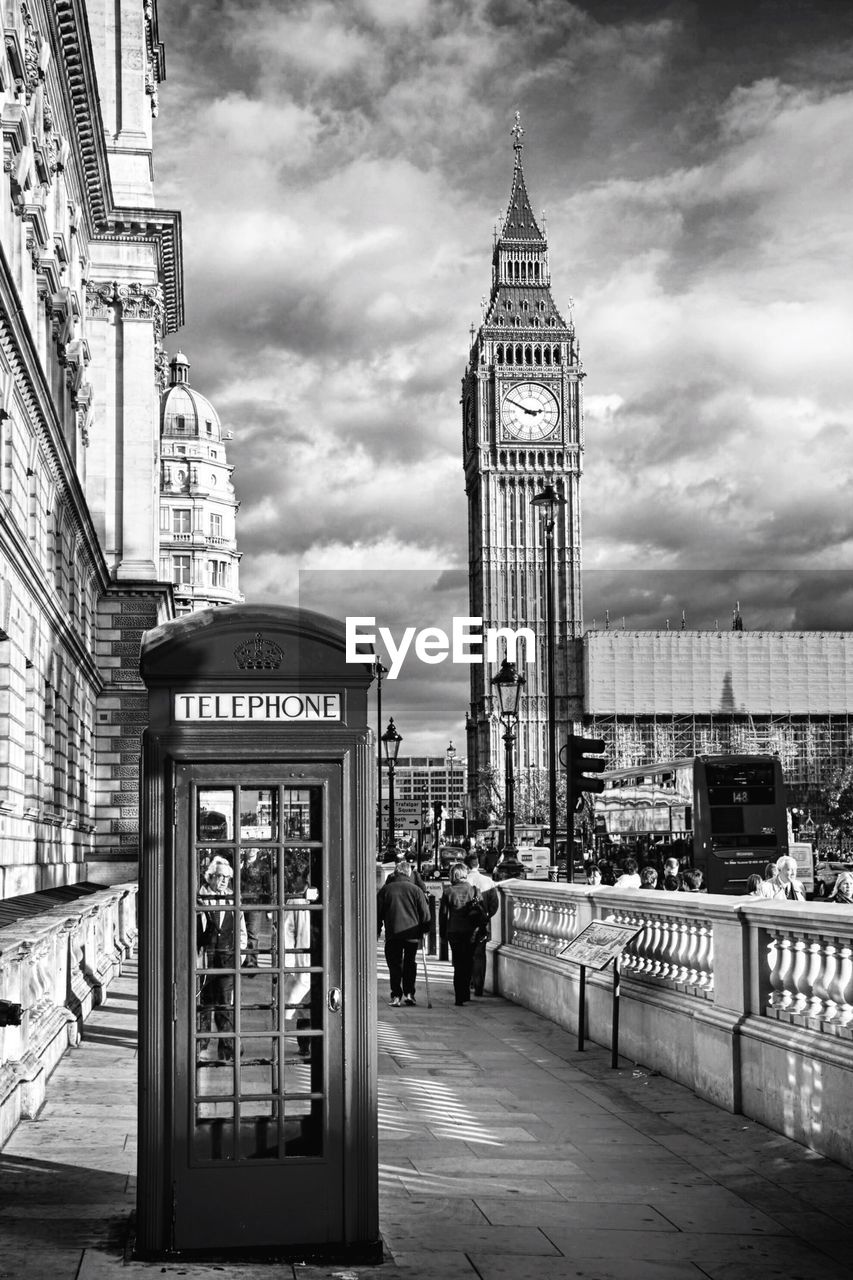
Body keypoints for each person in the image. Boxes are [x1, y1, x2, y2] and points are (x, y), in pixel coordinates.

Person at [197, 856, 247, 1061]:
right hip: (205, 959)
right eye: (220, 876)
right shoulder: (199, 898)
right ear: (210, 877)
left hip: (227, 958)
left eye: (228, 877)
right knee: (205, 1003)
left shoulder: (233, 899)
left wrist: (241, 955)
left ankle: (227, 1047)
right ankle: (201, 1042)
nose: (225, 881)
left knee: (225, 1003)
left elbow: (241, 930)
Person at [376, 859, 431, 1007]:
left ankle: (396, 995)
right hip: (412, 934)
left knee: (394, 965)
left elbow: (378, 913)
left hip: (393, 933)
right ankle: (409, 993)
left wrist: (377, 930)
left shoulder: (386, 890)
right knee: (409, 963)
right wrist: (424, 930)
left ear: (396, 872)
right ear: (409, 873)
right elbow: (425, 915)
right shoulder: (416, 890)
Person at [439, 863, 485, 1007]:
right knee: (468, 961)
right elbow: (481, 911)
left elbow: (443, 915)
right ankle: (465, 993)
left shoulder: (448, 892)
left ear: (454, 875)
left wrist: (442, 933)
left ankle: (459, 996)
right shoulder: (474, 890)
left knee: (458, 963)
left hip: (454, 931)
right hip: (471, 932)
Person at [464, 854, 500, 997]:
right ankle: (479, 985)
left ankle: (467, 983)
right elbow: (494, 904)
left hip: (465, 924)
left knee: (465, 954)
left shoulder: (463, 881)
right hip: (481, 924)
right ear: (478, 865)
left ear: (466, 866)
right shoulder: (487, 881)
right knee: (479, 955)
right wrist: (486, 916)